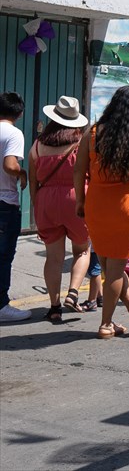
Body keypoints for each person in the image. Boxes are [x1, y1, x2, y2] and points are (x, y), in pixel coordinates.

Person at [74, 85, 129, 338]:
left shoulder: (93, 134)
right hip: (127, 207)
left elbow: (78, 170)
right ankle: (106, 323)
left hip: (96, 204)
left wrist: (80, 200)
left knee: (108, 264)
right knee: (115, 268)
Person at [28, 96, 91, 322]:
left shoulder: (37, 145)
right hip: (76, 199)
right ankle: (73, 293)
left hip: (46, 202)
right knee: (82, 250)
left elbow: (33, 181)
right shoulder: (82, 142)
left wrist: (38, 208)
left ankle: (54, 307)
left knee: (53, 257)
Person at [0, 92, 31, 323]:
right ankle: (1, 305)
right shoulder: (13, 133)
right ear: (19, 113)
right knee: (3, 256)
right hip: (4, 203)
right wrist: (22, 173)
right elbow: (10, 164)